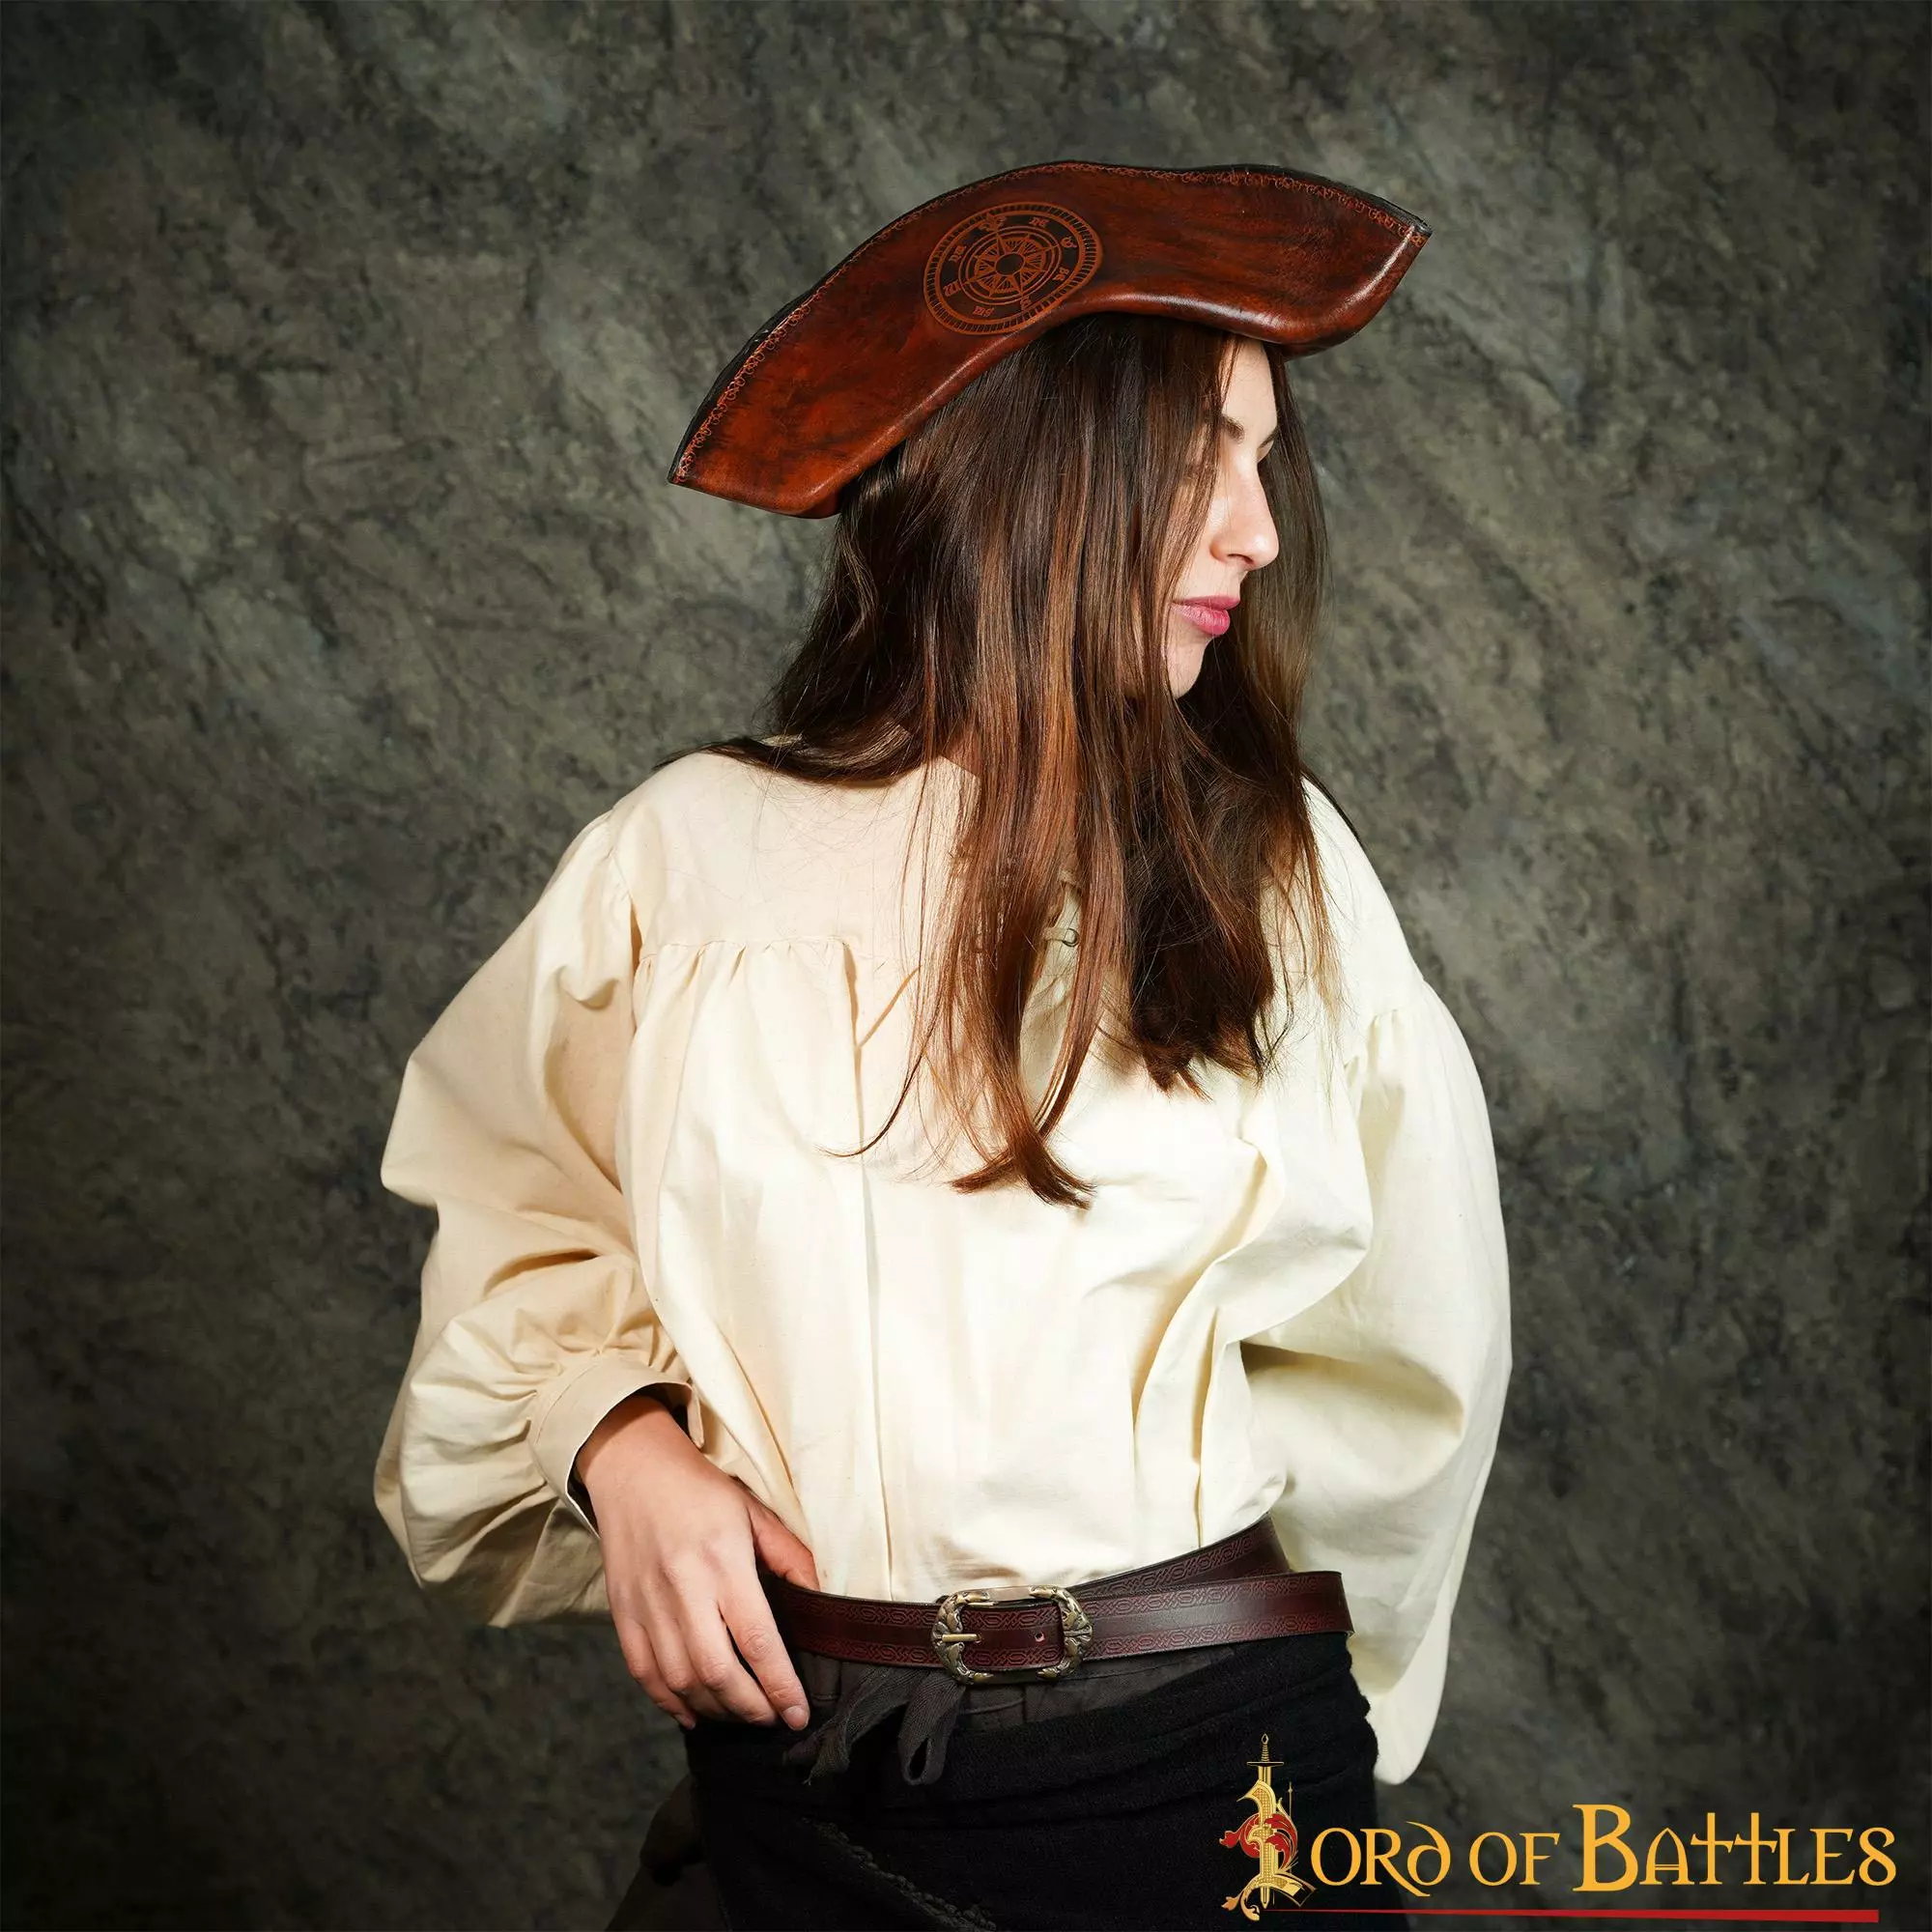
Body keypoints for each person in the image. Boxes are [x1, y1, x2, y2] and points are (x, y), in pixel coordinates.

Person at [374, 161, 1512, 1932]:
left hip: (1204, 1773)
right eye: (1202, 458)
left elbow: (1411, 1366)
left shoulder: (1273, 869)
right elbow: (518, 1216)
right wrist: (618, 1441)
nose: (1258, 533)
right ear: (1037, 469)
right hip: (804, 1777)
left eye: (1265, 464)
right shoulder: (682, 863)